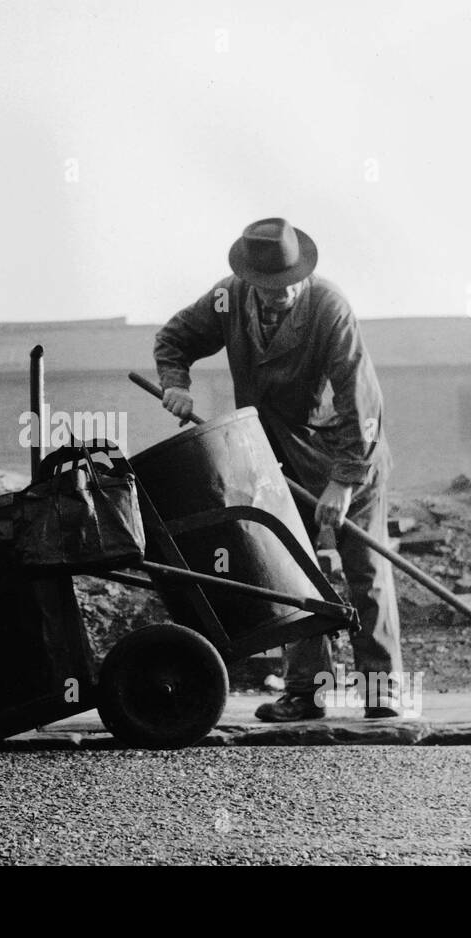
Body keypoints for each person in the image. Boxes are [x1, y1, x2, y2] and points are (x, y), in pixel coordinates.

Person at [154, 216, 403, 719]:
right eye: (268, 289)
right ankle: (305, 693)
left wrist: (343, 481)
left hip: (347, 453)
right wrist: (176, 383)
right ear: (250, 281)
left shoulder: (329, 307)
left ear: (302, 273)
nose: (279, 296)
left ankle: (381, 691)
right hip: (279, 462)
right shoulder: (228, 299)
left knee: (365, 570)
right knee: (294, 575)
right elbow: (174, 338)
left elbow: (361, 401)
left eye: (288, 286)